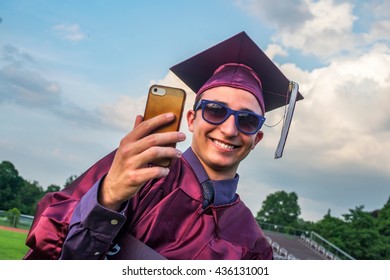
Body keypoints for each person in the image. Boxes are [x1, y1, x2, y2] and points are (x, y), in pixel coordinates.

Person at [24, 31, 303, 260]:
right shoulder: (138, 167)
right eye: (216, 111)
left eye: (247, 120)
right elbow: (53, 250)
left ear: (257, 138)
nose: (229, 129)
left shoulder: (253, 245)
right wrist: (107, 197)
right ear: (192, 119)